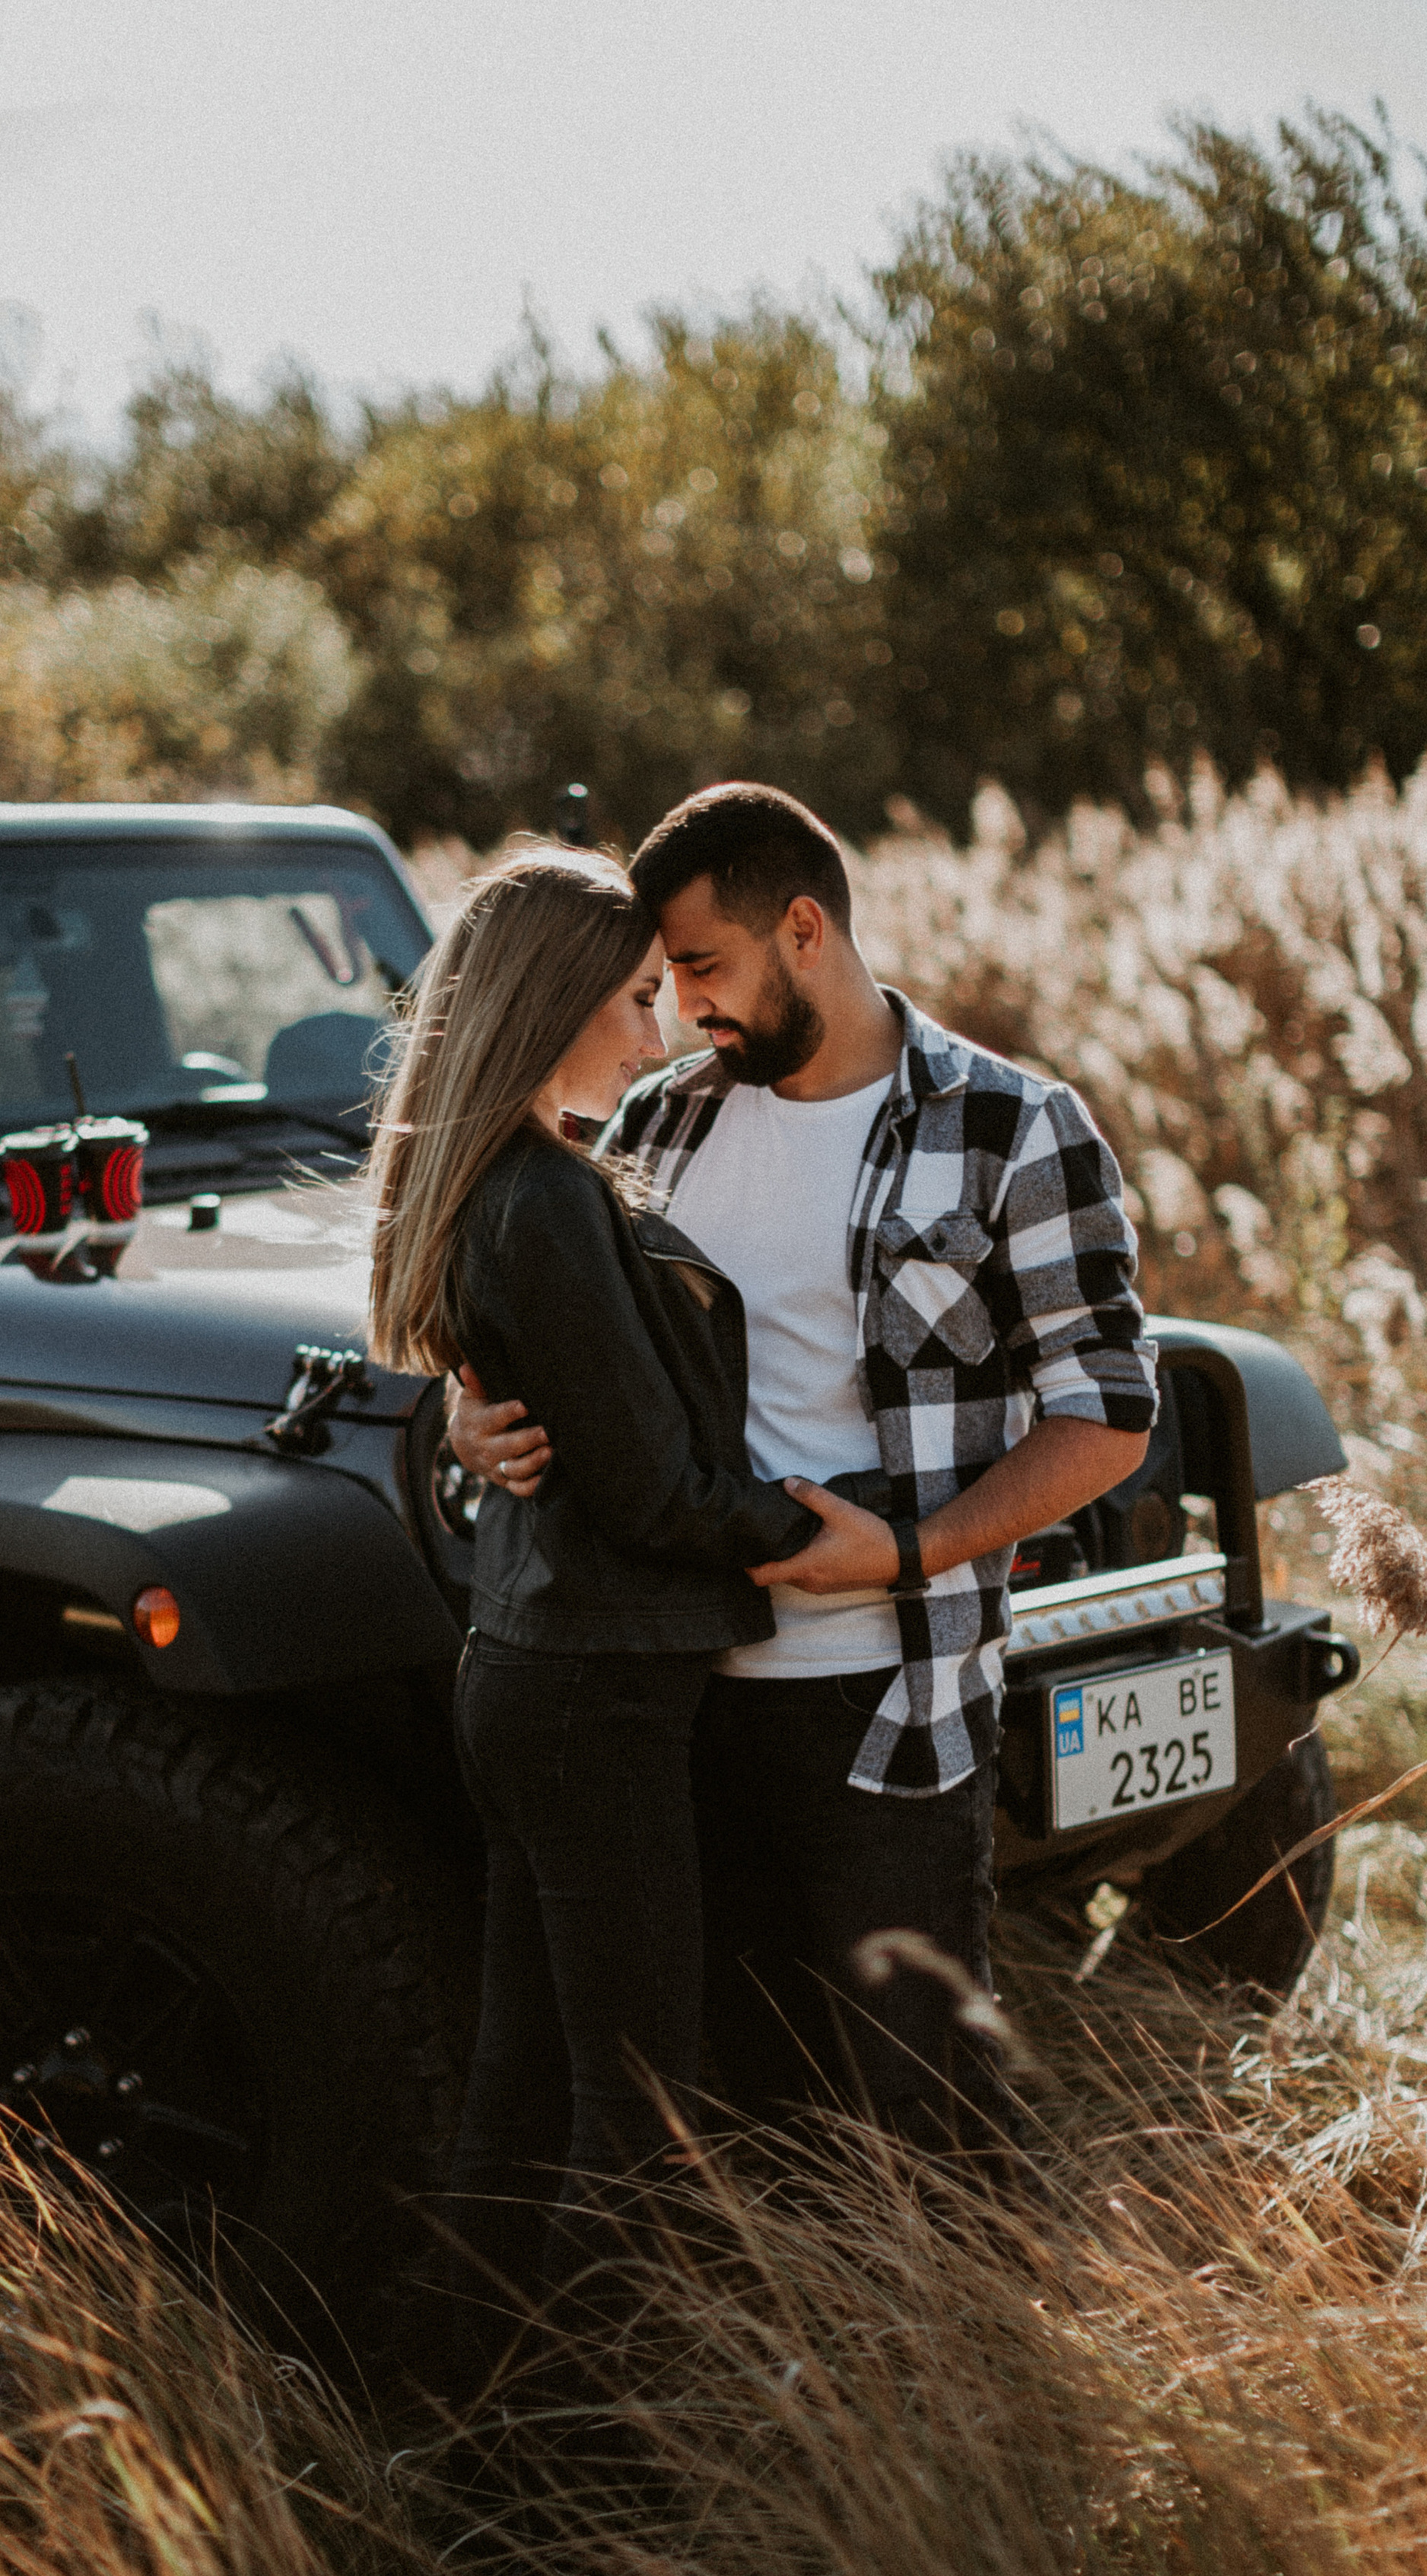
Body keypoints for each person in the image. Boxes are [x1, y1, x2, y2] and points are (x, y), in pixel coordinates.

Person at [450, 784, 1159, 2161]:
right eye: (661, 982)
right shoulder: (658, 1126)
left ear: (804, 928)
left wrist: (905, 1553)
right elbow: (542, 1319)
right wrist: (474, 1421)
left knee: (924, 2107)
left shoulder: (1017, 1130)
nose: (683, 1011)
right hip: (671, 1698)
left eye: (704, 970)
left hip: (887, 1704)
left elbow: (1109, 1418)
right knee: (736, 2100)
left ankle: (968, 2369)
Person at [365, 843, 820, 2348]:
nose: (660, 1025)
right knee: (640, 2119)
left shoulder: (506, 1180)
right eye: (633, 994)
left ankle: (454, 2427)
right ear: (556, 996)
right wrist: (843, 1529)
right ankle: (590, 2488)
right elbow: (649, 1488)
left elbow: (573, 1425)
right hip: (588, 1694)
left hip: (535, 1675)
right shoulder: (545, 1198)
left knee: (521, 2093)